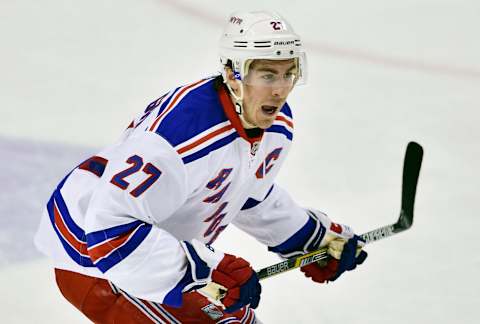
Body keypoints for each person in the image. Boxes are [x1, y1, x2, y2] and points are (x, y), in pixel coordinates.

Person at [34, 10, 367, 324]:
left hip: (153, 248)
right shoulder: (177, 138)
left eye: (288, 73)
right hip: (96, 261)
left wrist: (312, 236)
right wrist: (204, 269)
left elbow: (245, 194)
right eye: (267, 74)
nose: (280, 89)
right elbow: (109, 233)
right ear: (234, 74)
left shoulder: (275, 125)